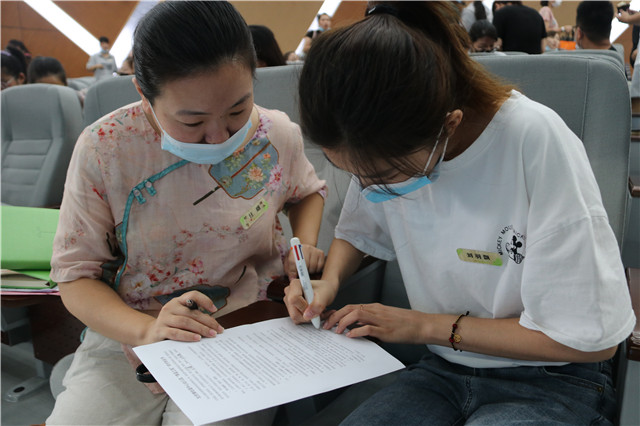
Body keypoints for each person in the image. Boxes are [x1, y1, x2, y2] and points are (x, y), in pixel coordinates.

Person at [284, 2, 635, 424]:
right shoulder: (380, 149)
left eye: (384, 177)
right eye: (355, 175)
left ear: (448, 125)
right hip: (444, 370)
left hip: (552, 377)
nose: (368, 186)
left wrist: (421, 327)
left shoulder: (533, 141)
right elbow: (357, 230)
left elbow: (590, 342)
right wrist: (329, 282)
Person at [47, 2, 327, 425]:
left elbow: (306, 192)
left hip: (243, 322)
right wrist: (146, 330)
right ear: (144, 93)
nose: (218, 137)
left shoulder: (275, 134)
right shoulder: (105, 148)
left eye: (237, 111)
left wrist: (301, 247)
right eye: (192, 122)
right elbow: (75, 276)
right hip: (131, 323)